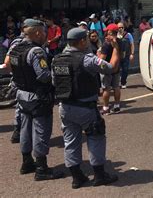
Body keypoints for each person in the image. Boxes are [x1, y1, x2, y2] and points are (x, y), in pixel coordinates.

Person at [52, 28, 119, 189]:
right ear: (82, 41)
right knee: (96, 138)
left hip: (65, 107)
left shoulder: (57, 59)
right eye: (86, 39)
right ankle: (99, 175)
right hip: (85, 108)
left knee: (70, 141)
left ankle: (77, 177)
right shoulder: (86, 59)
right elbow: (111, 68)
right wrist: (116, 48)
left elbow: (55, 83)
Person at [8, 19, 64, 181]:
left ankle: (27, 163)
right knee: (41, 131)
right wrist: (57, 74)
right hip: (37, 97)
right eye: (44, 32)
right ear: (38, 32)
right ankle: (41, 168)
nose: (45, 35)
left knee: (25, 129)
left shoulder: (15, 48)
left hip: (22, 95)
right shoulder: (36, 52)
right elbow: (44, 76)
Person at [0, 22, 26, 143]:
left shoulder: (16, 40)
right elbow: (7, 60)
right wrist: (16, 73)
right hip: (23, 80)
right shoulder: (18, 41)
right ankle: (18, 132)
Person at [99, 24, 122, 114]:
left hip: (107, 69)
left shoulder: (106, 44)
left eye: (108, 32)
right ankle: (117, 105)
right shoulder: (121, 41)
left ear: (111, 33)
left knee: (106, 89)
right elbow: (122, 55)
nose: (106, 34)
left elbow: (102, 59)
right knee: (116, 87)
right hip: (116, 68)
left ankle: (105, 107)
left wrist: (98, 55)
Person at [117, 22, 134, 89]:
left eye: (122, 27)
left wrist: (132, 54)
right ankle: (115, 83)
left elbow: (132, 44)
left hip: (126, 55)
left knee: (125, 70)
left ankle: (123, 82)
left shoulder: (128, 35)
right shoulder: (116, 35)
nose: (120, 29)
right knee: (116, 70)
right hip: (117, 55)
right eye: (119, 27)